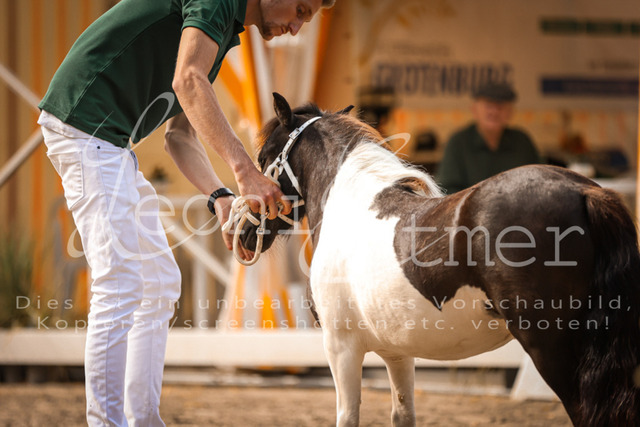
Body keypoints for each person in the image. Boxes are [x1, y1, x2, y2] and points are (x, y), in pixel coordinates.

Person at [37, 0, 334, 425]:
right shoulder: (218, 2)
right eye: (301, 10)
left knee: (159, 281)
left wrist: (221, 198)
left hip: (110, 144)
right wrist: (246, 172)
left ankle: (143, 419)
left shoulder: (224, 32)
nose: (297, 27)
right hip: (86, 131)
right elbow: (188, 79)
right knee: (119, 281)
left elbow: (179, 135)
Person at [436, 81, 540, 194]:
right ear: (474, 109)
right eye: (488, 106)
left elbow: (540, 180)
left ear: (510, 112)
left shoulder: (522, 142)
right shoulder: (458, 142)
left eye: (500, 107)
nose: (494, 112)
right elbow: (446, 189)